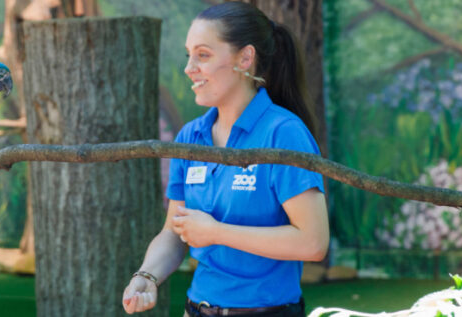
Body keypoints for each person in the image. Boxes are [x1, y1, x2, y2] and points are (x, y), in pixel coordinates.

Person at [122, 2, 328, 316]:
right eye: (188, 54)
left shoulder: (284, 133)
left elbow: (313, 242)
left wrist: (217, 232)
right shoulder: (190, 136)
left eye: (203, 55)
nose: (189, 67)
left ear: (245, 58)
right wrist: (146, 275)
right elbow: (175, 232)